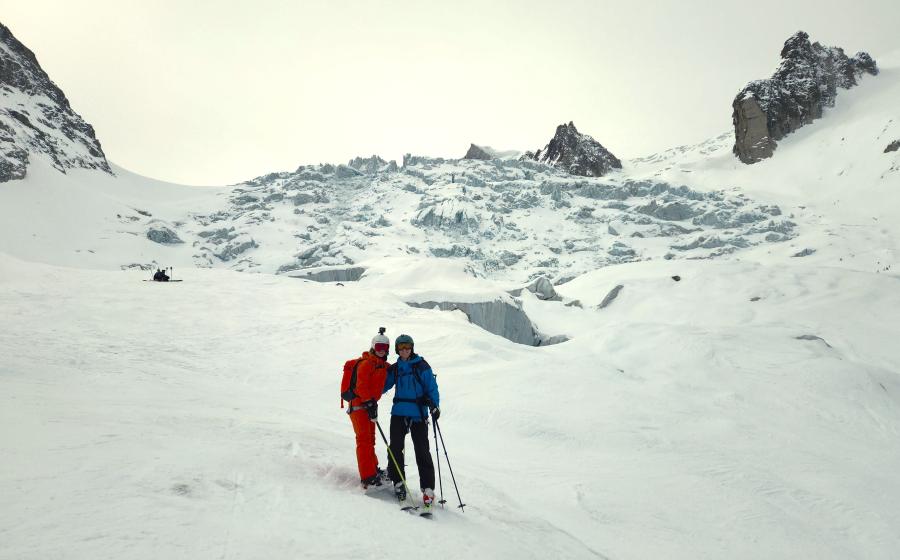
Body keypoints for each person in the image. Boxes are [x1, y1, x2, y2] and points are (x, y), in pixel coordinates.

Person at [382, 334, 440, 508]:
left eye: (407, 347)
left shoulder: (421, 366)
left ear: (412, 348)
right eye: (401, 347)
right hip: (399, 412)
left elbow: (432, 388)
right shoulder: (396, 368)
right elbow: (383, 385)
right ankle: (398, 481)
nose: (405, 350)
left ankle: (428, 488)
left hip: (418, 414)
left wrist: (434, 405)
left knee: (422, 450)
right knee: (395, 448)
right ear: (397, 350)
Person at [345, 328, 391, 488]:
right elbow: (361, 386)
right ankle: (368, 477)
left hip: (369, 405)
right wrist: (369, 403)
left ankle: (373, 469)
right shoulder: (366, 364)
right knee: (364, 441)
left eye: (384, 348)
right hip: (359, 407)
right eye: (378, 347)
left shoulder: (381, 365)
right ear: (373, 347)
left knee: (370, 439)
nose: (381, 351)